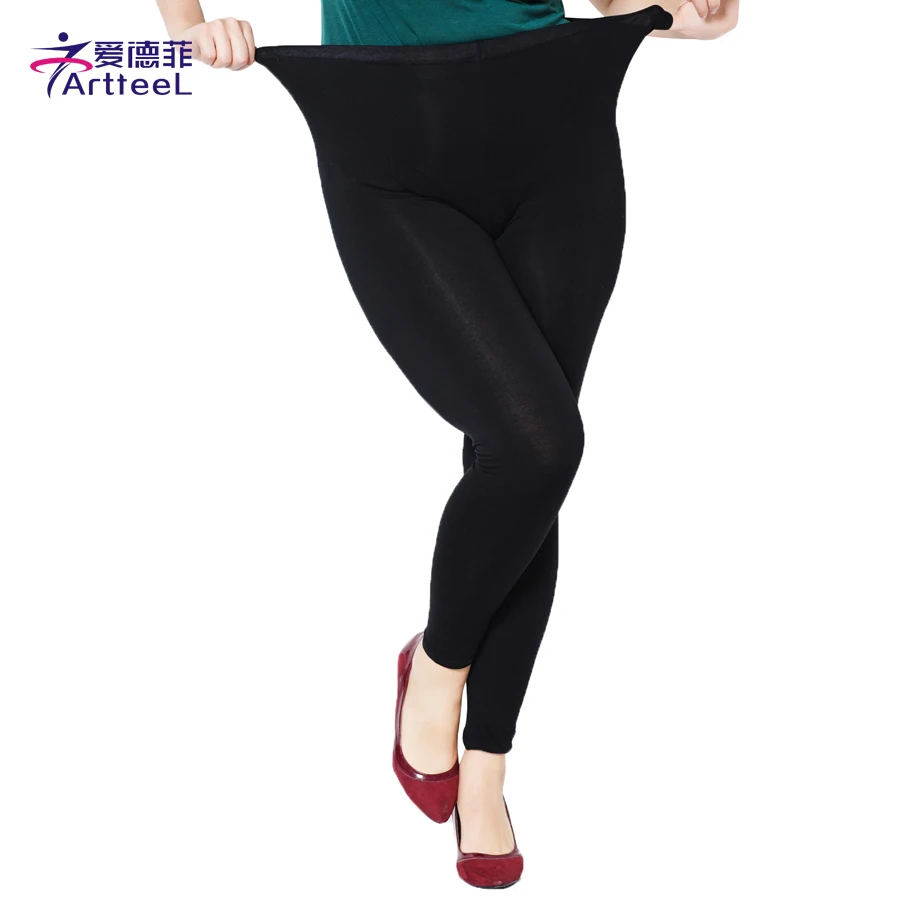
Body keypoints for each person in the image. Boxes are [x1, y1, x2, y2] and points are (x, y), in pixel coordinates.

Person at [154, 0, 739, 888]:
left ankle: (486, 768)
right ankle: (436, 670)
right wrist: (189, 26)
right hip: (390, 142)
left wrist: (671, 7)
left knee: (529, 470)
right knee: (535, 447)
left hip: (557, 132)